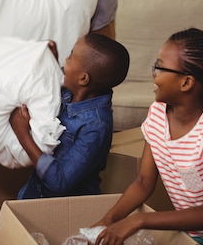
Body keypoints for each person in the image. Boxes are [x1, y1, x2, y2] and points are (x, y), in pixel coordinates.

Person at [93, 28, 203, 245]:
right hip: (195, 234)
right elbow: (143, 182)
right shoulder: (157, 113)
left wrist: (139, 220)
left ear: (186, 83)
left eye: (160, 67)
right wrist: (108, 220)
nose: (154, 73)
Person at [9, 33, 130, 199]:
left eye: (71, 57)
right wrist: (51, 60)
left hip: (64, 209)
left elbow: (60, 181)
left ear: (83, 79)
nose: (66, 60)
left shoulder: (95, 127)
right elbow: (55, 78)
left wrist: (22, 133)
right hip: (33, 193)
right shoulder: (72, 91)